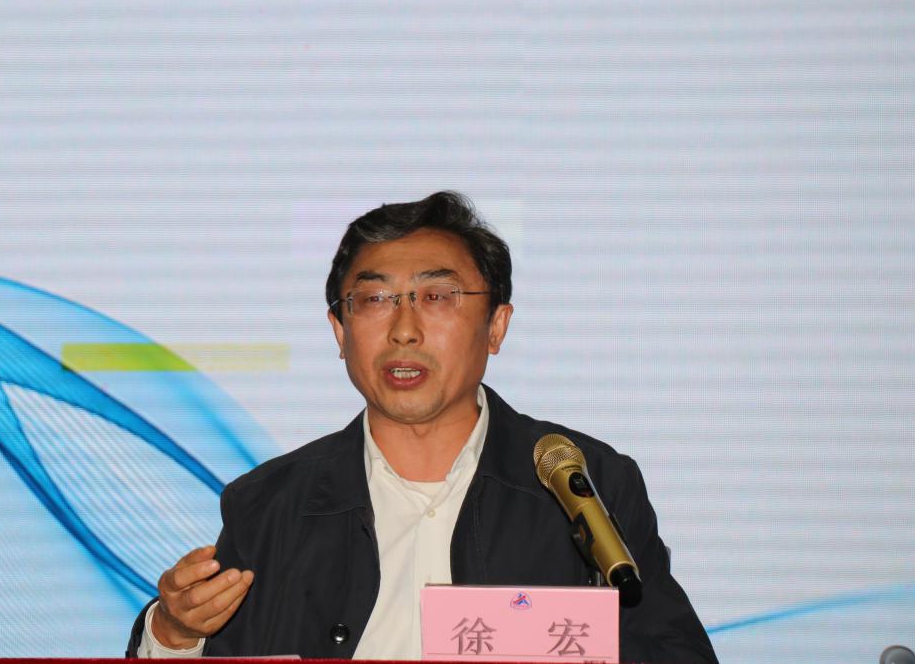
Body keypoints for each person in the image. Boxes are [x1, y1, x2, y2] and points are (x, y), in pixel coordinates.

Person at [126, 191, 718, 662]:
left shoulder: (582, 483)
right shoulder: (271, 504)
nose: (404, 330)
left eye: (436, 297)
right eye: (375, 300)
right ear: (340, 332)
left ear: (496, 326)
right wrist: (175, 632)